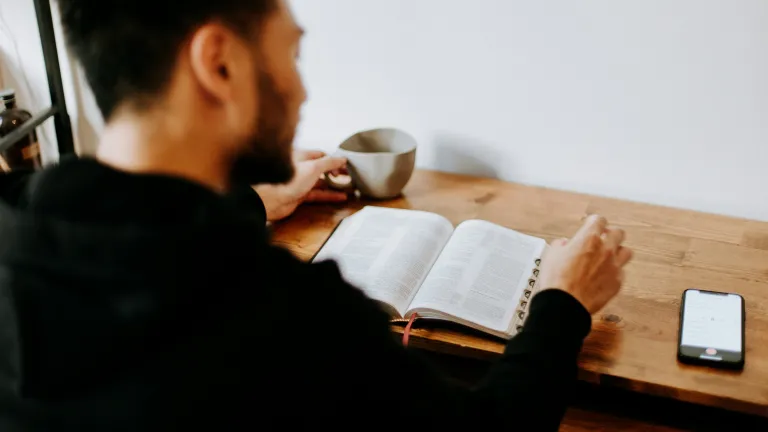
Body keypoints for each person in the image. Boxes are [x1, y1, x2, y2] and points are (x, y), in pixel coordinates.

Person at [0, 0, 633, 430]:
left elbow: (151, 243)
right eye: (291, 54)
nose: (301, 89)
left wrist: (253, 202)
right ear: (219, 63)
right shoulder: (286, 319)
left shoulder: (18, 226)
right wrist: (561, 305)